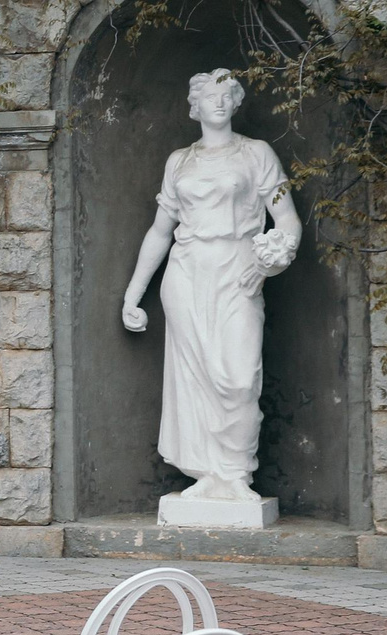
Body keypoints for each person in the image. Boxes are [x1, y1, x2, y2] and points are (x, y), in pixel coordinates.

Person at [118, 69, 302, 505]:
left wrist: (270, 264)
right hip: (186, 273)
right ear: (194, 106)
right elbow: (161, 231)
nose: (219, 103)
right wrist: (133, 293)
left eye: (227, 95)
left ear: (237, 103)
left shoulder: (257, 154)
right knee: (195, 379)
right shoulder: (179, 161)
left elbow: (288, 220)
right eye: (210, 96)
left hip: (238, 269)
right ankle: (207, 474)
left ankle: (235, 473)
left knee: (239, 378)